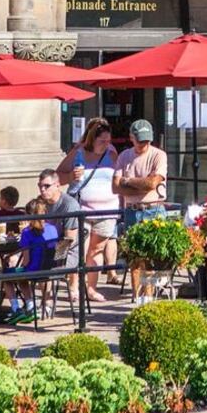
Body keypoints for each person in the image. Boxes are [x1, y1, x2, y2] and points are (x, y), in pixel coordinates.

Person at [58, 117, 119, 302]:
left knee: (96, 250)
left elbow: (118, 176)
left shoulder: (112, 153)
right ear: (92, 139)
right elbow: (58, 176)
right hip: (81, 209)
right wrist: (70, 176)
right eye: (102, 141)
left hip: (107, 210)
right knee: (78, 249)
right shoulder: (78, 152)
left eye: (108, 140)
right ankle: (74, 286)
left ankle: (91, 288)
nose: (106, 144)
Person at [114, 119, 169, 304]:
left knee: (152, 257)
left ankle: (150, 297)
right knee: (135, 257)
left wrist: (128, 181)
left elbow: (152, 183)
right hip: (132, 210)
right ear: (131, 138)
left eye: (147, 140)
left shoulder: (159, 155)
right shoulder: (124, 156)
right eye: (140, 140)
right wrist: (141, 185)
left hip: (153, 209)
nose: (144, 144)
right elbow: (115, 187)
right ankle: (137, 298)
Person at [37, 169, 83, 306]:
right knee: (15, 264)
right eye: (40, 186)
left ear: (57, 185)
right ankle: (26, 304)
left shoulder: (69, 205)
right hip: (45, 247)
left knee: (44, 265)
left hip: (67, 252)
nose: (42, 190)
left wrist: (49, 253)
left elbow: (69, 240)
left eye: (46, 186)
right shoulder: (40, 203)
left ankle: (47, 303)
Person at [9, 198, 57, 323]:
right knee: (43, 274)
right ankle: (46, 304)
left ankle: (22, 307)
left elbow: (26, 261)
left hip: (34, 269)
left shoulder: (27, 232)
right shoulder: (53, 229)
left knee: (7, 275)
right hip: (52, 268)